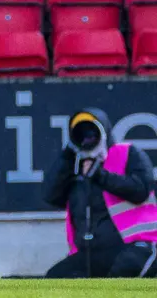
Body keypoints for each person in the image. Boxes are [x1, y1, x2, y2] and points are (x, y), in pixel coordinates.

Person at [43, 108, 157, 278]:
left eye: (92, 132)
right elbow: (51, 196)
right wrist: (67, 156)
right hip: (90, 253)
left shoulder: (127, 153)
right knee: (55, 279)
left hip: (134, 245)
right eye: (81, 134)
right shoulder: (73, 166)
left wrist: (100, 176)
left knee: (124, 271)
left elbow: (141, 191)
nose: (88, 139)